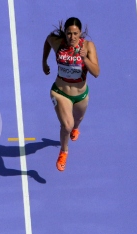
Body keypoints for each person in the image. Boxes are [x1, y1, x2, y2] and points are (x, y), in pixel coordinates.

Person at [42, 17, 99, 172]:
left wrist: (84, 58)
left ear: (80, 33)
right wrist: (44, 62)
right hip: (60, 92)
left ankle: (76, 128)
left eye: (75, 34)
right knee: (67, 125)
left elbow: (96, 72)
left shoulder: (88, 46)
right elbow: (48, 40)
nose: (72, 37)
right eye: (69, 33)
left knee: (76, 121)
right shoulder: (58, 43)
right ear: (65, 33)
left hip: (80, 95)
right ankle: (64, 151)